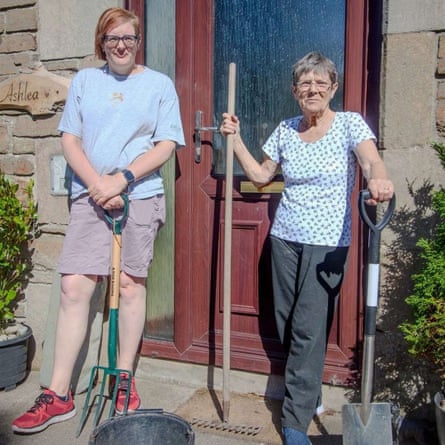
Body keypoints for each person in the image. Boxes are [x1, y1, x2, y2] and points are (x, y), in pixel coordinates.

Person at [12, 7, 184, 434]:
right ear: (101, 44)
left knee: (128, 285)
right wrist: (98, 185)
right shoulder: (87, 82)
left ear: (137, 41)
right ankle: (57, 394)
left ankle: (124, 377)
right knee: (74, 286)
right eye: (113, 40)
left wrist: (123, 179)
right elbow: (70, 139)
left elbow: (165, 146)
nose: (121, 46)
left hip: (139, 195)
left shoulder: (159, 85)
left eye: (128, 38)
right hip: (90, 197)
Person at [220, 51, 394, 445]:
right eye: (304, 83)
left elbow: (370, 162)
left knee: (308, 330)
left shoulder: (349, 124)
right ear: (294, 90)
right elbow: (262, 176)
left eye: (320, 82)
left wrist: (380, 181)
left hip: (328, 244)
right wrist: (234, 141)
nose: (312, 89)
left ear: (333, 88)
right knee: (286, 324)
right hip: (284, 240)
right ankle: (310, 392)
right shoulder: (285, 129)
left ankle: (294, 420)